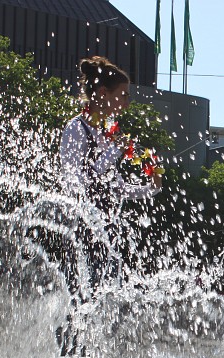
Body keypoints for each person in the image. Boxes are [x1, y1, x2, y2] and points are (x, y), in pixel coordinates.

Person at [59, 56, 162, 295]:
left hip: (105, 234)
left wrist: (151, 188)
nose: (126, 104)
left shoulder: (106, 134)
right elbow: (74, 183)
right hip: (79, 235)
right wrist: (113, 153)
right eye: (124, 95)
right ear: (104, 93)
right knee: (81, 302)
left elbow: (116, 189)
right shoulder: (77, 129)